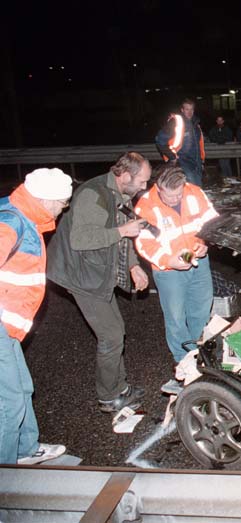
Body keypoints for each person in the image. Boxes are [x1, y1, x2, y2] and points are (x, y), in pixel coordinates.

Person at [47, 152, 152, 414]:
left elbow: (125, 234)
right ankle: (108, 397)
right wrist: (122, 231)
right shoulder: (93, 195)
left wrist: (133, 266)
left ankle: (121, 387)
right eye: (142, 181)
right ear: (125, 176)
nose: (144, 187)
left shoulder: (123, 194)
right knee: (111, 335)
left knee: (116, 330)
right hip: (80, 274)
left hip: (97, 270)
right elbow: (80, 240)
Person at [0, 168, 72, 465]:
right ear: (46, 200)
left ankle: (25, 450)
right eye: (62, 203)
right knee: (9, 404)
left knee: (22, 389)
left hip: (9, 327)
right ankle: (8, 484)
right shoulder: (10, 224)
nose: (63, 208)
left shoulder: (22, 213)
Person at [133, 164, 218, 388]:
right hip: (168, 269)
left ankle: (199, 355)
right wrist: (167, 261)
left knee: (201, 308)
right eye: (169, 196)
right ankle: (183, 362)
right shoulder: (146, 207)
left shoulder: (194, 193)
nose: (175, 199)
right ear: (158, 188)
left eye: (179, 194)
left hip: (198, 261)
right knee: (176, 317)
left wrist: (203, 243)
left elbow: (211, 222)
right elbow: (144, 243)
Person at [155, 98, 206, 187]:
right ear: (182, 110)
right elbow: (160, 140)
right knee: (191, 189)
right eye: (187, 109)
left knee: (197, 189)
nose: (190, 112)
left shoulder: (196, 125)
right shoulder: (176, 122)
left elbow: (199, 146)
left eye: (191, 109)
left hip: (196, 163)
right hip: (183, 163)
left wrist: (201, 161)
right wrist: (172, 157)